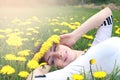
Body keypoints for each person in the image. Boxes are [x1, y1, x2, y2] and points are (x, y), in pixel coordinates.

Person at [26, 7, 120, 80]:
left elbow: (107, 15)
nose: (59, 54)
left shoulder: (96, 47)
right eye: (53, 60)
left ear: (62, 44)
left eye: (55, 48)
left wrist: (74, 36)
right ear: (55, 67)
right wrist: (42, 67)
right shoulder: (74, 71)